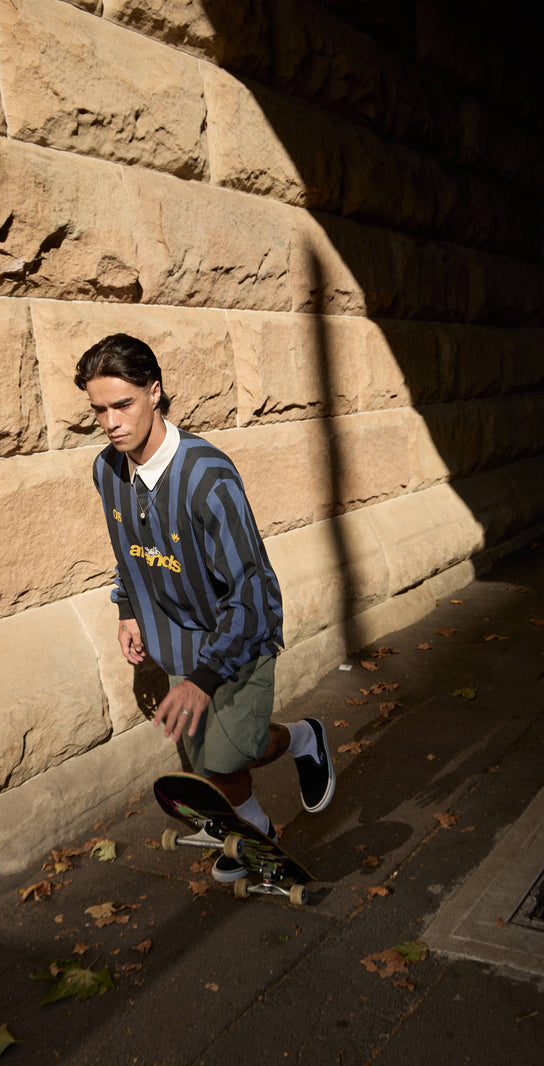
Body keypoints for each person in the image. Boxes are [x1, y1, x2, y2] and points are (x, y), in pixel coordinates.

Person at [75, 333, 335, 881]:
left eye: (122, 404)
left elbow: (252, 590)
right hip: (175, 640)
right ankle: (257, 823)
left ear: (155, 392)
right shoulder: (106, 470)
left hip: (234, 636)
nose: (111, 422)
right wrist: (127, 608)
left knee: (227, 757)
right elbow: (127, 548)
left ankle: (300, 745)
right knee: (212, 761)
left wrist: (202, 678)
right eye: (98, 410)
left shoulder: (207, 477)